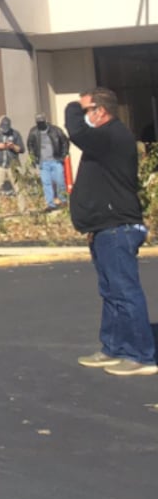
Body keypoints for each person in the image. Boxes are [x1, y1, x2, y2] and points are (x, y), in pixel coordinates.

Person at [67, 89, 155, 376]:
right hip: (104, 227)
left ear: (100, 111)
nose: (82, 117)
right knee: (111, 292)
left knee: (125, 291)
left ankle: (142, 355)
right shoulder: (103, 141)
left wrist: (70, 108)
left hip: (118, 227)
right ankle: (114, 347)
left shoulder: (111, 136)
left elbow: (76, 133)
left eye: (85, 110)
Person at [27, 112, 70, 211]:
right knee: (46, 183)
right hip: (43, 162)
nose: (40, 124)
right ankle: (50, 204)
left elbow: (65, 141)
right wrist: (33, 158)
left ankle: (63, 200)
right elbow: (30, 145)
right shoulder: (33, 132)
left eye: (42, 122)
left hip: (56, 160)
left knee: (60, 181)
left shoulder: (55, 130)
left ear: (45, 121)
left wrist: (63, 155)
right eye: (38, 122)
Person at [0, 114, 24, 218]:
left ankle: (23, 209)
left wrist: (13, 146)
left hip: (13, 164)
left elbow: (21, 149)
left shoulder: (15, 134)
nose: (5, 130)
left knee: (19, 188)